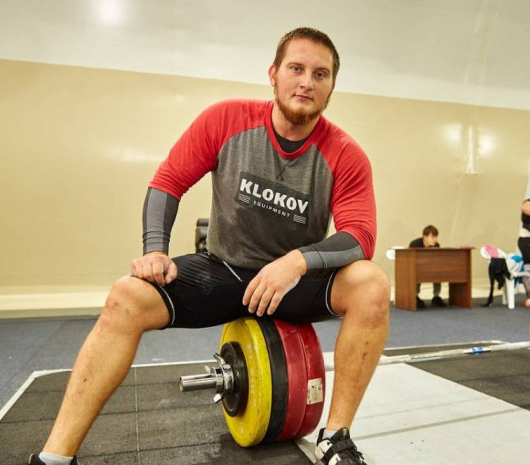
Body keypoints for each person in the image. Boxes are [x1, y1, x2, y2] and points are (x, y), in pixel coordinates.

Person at [28, 27, 388, 465]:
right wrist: (155, 248)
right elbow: (168, 182)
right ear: (273, 75)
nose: (306, 82)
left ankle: (334, 437)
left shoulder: (345, 153)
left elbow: (360, 236)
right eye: (296, 69)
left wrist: (296, 262)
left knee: (370, 282)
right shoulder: (226, 120)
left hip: (293, 284)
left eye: (320, 74)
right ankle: (55, 457)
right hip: (225, 270)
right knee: (126, 296)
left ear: (331, 87)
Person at [408, 225, 446, 307]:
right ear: (424, 236)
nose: (435, 239)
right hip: (417, 268)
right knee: (416, 273)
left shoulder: (436, 245)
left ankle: (436, 296)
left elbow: (437, 260)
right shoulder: (415, 244)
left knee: (438, 273)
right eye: (432, 237)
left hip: (431, 268)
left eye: (436, 237)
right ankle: (415, 296)